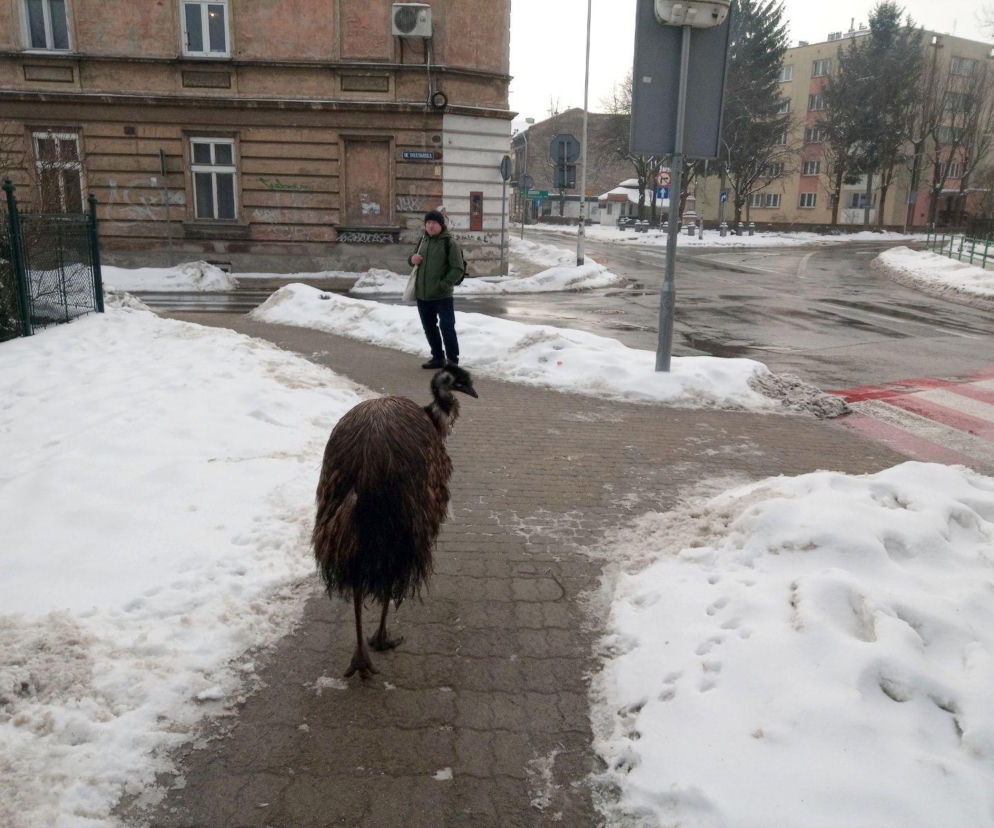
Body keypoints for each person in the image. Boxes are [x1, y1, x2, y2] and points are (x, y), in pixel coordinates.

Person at [408, 209, 465, 369]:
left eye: (434, 223)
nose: (430, 226)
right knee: (429, 328)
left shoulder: (449, 243)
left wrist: (443, 285)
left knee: (447, 327)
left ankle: (453, 361)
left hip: (442, 296)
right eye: (428, 223)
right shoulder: (422, 242)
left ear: (441, 225)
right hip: (423, 295)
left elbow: (458, 269)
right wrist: (412, 259)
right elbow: (412, 260)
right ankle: (437, 358)